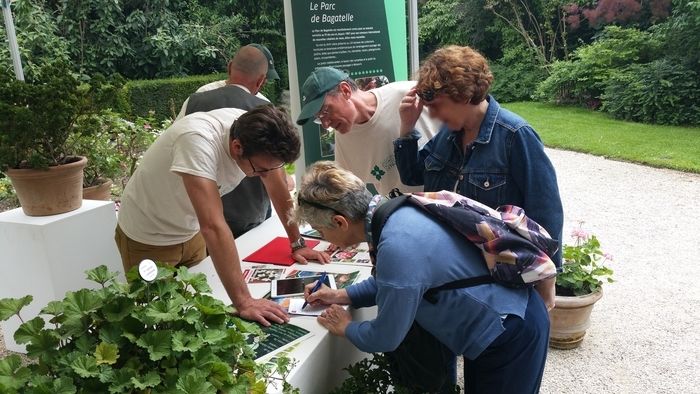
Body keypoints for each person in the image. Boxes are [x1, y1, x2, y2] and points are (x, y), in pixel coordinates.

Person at [295, 161, 550, 393]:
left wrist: (347, 327)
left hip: (509, 334)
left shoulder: (397, 245)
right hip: (508, 321)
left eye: (319, 231)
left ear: (340, 222)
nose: (323, 239)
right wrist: (341, 295)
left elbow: (385, 336)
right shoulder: (398, 211)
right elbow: (395, 281)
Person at [116, 105, 329, 326]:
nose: (264, 175)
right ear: (237, 147)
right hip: (148, 235)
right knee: (154, 321)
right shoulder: (197, 139)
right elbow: (213, 225)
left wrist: (297, 243)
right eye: (261, 170)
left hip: (190, 232)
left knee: (195, 310)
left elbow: (278, 188)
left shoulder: (256, 136)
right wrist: (244, 301)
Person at [394, 45, 563, 309]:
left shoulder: (515, 135)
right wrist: (406, 128)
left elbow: (547, 211)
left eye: (437, 107)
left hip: (504, 282)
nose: (434, 116)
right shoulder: (447, 137)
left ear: (463, 95)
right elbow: (412, 175)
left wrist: (546, 282)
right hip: (455, 275)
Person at [174, 44, 281, 238]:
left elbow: (175, 145)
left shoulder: (196, 100)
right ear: (261, 80)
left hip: (203, 216)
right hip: (250, 213)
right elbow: (275, 173)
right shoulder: (264, 108)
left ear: (230, 66)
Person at [296, 67, 440, 195]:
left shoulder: (409, 95)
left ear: (345, 90)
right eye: (319, 118)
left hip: (448, 205)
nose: (326, 124)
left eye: (325, 111)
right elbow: (348, 194)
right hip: (400, 216)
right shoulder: (343, 139)